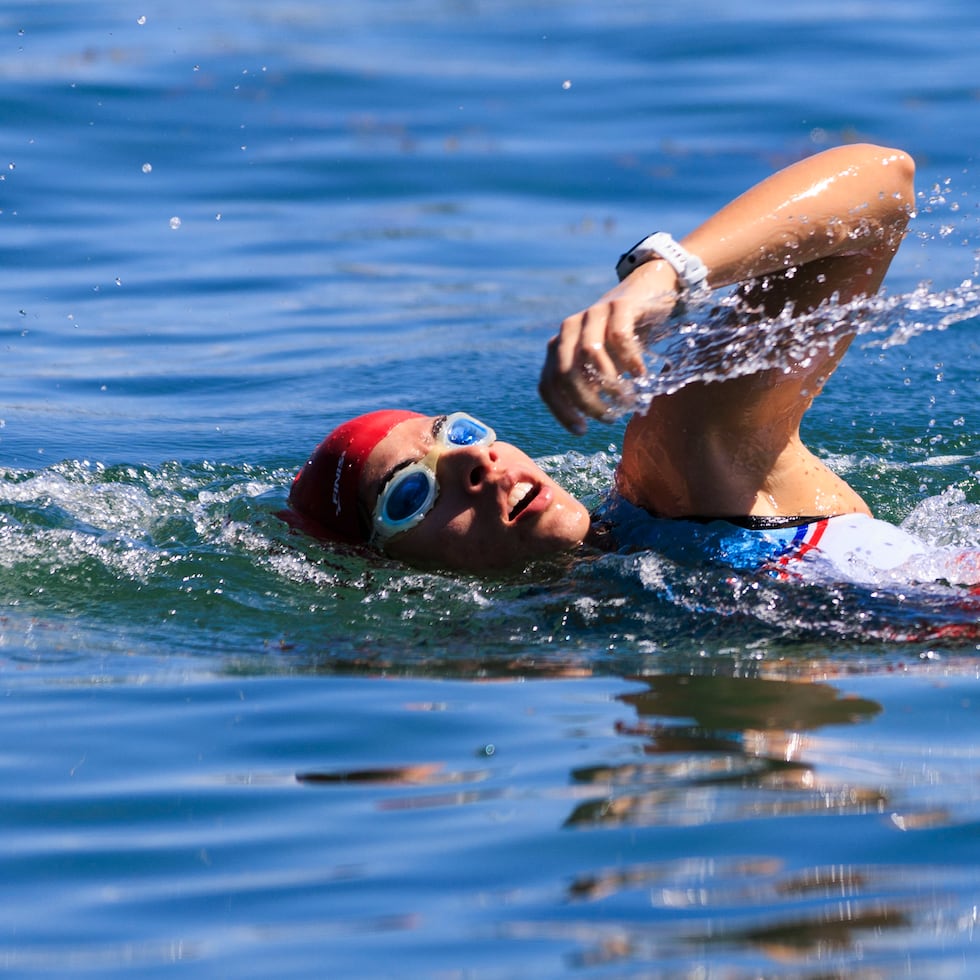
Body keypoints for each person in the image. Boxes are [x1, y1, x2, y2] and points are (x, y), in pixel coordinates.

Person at [284, 143, 976, 584]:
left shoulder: (682, 474)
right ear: (386, 571)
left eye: (458, 433)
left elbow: (884, 184)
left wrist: (666, 276)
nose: (476, 464)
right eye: (411, 494)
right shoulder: (586, 633)